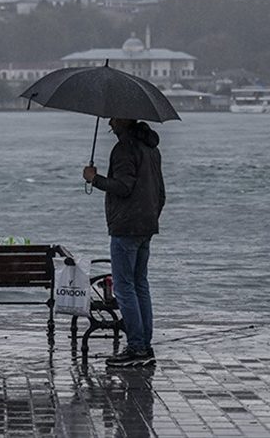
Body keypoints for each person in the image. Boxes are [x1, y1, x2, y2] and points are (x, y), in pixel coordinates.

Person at [82, 117, 165, 367]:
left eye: (114, 118)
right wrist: (151, 216)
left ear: (124, 120)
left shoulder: (124, 149)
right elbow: (160, 192)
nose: (109, 121)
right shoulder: (151, 149)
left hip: (126, 227)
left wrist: (94, 179)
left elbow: (124, 187)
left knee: (124, 287)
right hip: (146, 225)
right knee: (140, 285)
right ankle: (144, 345)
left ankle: (137, 347)